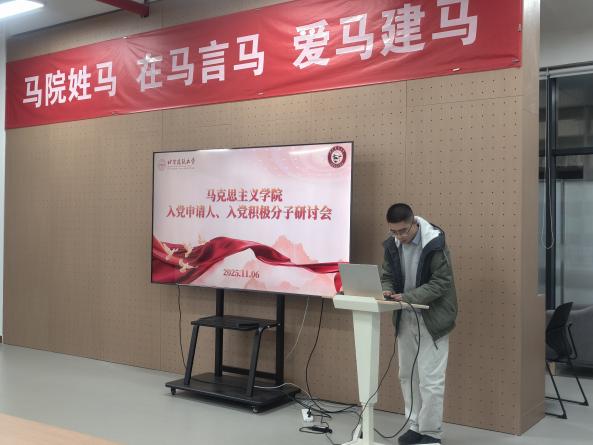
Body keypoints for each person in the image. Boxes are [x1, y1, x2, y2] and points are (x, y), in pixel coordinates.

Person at [380, 203, 457, 445]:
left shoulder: (434, 242)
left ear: (414, 222)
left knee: (431, 379)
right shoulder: (392, 244)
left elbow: (441, 282)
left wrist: (409, 296)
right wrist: (387, 290)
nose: (399, 236)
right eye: (394, 232)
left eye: (403, 231)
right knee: (407, 375)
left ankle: (432, 433)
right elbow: (386, 275)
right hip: (405, 316)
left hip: (432, 319)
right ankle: (415, 426)